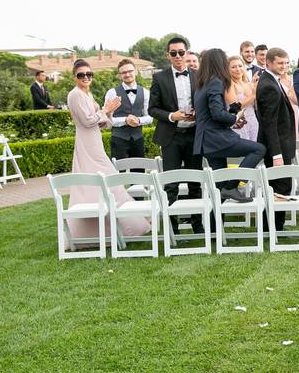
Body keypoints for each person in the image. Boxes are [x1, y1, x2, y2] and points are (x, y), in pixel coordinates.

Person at [65, 59, 150, 248]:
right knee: (105, 182)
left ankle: (124, 226)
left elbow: (102, 123)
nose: (86, 77)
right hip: (87, 144)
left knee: (107, 182)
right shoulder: (75, 95)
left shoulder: (87, 94)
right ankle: (121, 229)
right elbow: (88, 121)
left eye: (89, 74)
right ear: (74, 77)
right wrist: (106, 110)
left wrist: (109, 114)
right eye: (81, 75)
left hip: (94, 141)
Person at [192, 48, 264, 203]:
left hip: (206, 140)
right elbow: (217, 113)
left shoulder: (201, 84)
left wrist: (233, 114)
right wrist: (235, 117)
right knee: (259, 149)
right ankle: (232, 186)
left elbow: (210, 112)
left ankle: (215, 224)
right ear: (220, 63)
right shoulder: (216, 82)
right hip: (216, 138)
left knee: (219, 191)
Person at [148, 37, 203, 234]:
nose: (178, 56)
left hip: (194, 134)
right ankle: (173, 228)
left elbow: (206, 102)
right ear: (168, 55)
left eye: (181, 52)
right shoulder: (159, 78)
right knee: (171, 183)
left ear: (187, 53)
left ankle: (198, 226)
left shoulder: (199, 76)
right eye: (174, 53)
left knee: (195, 181)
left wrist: (199, 112)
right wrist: (172, 116)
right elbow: (152, 109)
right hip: (171, 136)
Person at [256, 47, 298, 231]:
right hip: (277, 147)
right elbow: (269, 124)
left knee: (279, 188)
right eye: (280, 63)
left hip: (281, 144)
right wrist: (276, 154)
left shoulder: (273, 81)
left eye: (286, 63)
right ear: (269, 63)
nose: (284, 66)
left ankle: (271, 227)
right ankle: (274, 228)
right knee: (280, 188)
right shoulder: (268, 86)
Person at [104, 59, 152, 160]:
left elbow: (150, 117)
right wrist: (125, 120)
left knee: (139, 173)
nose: (127, 74)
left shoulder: (146, 92)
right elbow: (107, 119)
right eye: (124, 72)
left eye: (130, 71)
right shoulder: (112, 93)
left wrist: (138, 120)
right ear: (119, 75)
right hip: (118, 139)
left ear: (136, 71)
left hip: (138, 138)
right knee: (119, 172)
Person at [225, 56, 258, 142]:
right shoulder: (228, 85)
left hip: (253, 120)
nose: (238, 69)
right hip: (238, 122)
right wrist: (253, 95)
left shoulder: (249, 84)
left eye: (240, 66)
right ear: (227, 69)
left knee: (255, 148)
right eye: (233, 67)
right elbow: (234, 107)